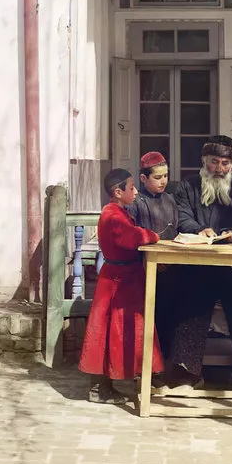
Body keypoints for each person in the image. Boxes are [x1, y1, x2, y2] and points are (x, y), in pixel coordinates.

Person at [167, 135, 232, 390]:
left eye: (225, 163)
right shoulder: (188, 187)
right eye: (214, 162)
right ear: (204, 162)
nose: (219, 169)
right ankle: (186, 372)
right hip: (196, 264)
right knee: (189, 303)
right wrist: (200, 230)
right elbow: (183, 218)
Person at [79, 168, 164, 404]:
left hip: (125, 278)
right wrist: (152, 235)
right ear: (118, 192)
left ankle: (132, 377)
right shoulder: (112, 215)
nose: (135, 191)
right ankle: (99, 388)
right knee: (109, 333)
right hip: (117, 282)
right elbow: (132, 237)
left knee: (124, 331)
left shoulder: (118, 211)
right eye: (131, 187)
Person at [127, 151, 179, 358]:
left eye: (165, 176)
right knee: (149, 318)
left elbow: (175, 230)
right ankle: (146, 365)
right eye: (157, 177)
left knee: (170, 316)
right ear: (143, 178)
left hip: (172, 268)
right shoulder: (136, 203)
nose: (163, 181)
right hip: (146, 268)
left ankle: (166, 362)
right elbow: (133, 236)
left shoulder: (171, 201)